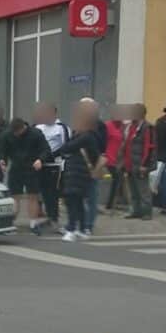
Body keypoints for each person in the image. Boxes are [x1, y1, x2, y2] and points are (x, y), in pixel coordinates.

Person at [58, 101, 103, 242]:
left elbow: (66, 147)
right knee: (78, 201)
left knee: (74, 200)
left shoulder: (88, 134)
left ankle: (73, 228)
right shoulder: (83, 132)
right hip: (77, 171)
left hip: (80, 172)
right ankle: (82, 228)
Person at [0, 118, 49, 235]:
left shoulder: (36, 134)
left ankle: (33, 223)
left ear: (23, 128)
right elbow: (3, 151)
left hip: (32, 168)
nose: (16, 135)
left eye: (18, 132)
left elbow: (45, 149)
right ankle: (11, 224)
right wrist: (2, 160)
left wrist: (40, 160)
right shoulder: (7, 135)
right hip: (16, 168)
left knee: (33, 196)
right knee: (15, 197)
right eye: (14, 133)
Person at [33, 102, 71, 232]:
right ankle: (40, 219)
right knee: (38, 193)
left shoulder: (61, 128)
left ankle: (54, 219)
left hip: (54, 165)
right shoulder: (38, 127)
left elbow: (66, 146)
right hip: (38, 165)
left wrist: (51, 156)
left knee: (52, 194)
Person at [118, 103, 156, 220]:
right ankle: (135, 210)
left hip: (140, 163)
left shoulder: (147, 127)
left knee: (143, 190)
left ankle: (146, 212)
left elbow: (150, 147)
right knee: (133, 190)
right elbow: (126, 143)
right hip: (130, 163)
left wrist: (145, 165)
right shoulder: (131, 126)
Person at [79, 97, 108, 236]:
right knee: (78, 196)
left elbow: (103, 147)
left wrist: (96, 165)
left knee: (92, 195)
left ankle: (88, 225)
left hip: (94, 164)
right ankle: (82, 222)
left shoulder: (100, 125)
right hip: (79, 165)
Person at [103, 105, 128, 211]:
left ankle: (120, 202)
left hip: (121, 159)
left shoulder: (123, 127)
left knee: (120, 179)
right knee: (117, 178)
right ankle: (110, 204)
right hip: (110, 158)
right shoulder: (107, 126)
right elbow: (103, 141)